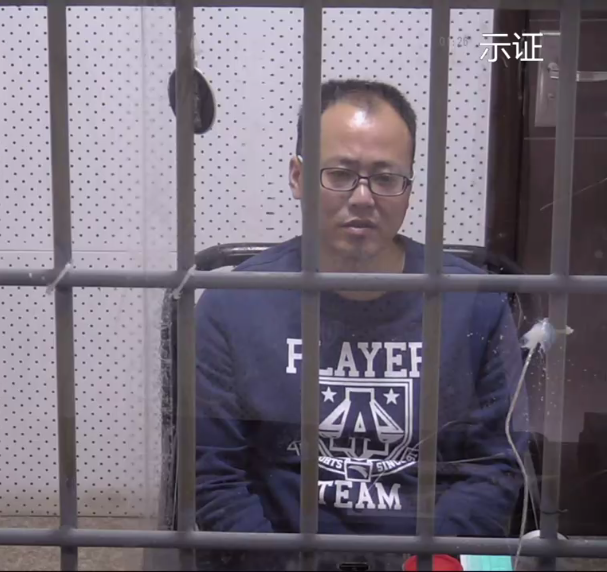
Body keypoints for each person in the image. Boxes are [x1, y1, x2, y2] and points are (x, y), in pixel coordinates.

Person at [193, 79, 529, 570]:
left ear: (409, 189)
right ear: (297, 177)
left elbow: (496, 466)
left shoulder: (475, 304)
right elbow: (215, 479)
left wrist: (427, 561)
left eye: (387, 178)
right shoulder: (232, 305)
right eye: (340, 174)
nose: (364, 197)